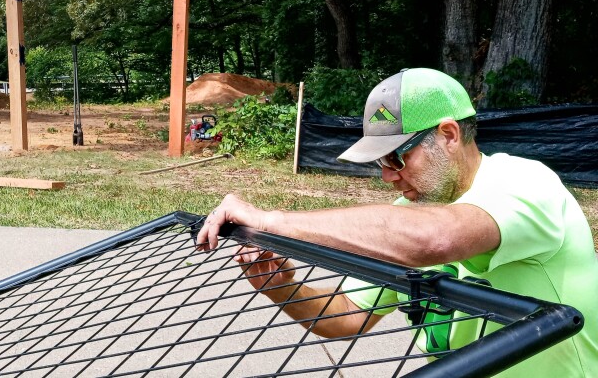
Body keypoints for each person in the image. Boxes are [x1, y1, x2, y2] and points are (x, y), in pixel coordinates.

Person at [196, 68, 598, 377]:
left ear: (449, 135)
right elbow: (348, 314)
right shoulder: (406, 219)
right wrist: (281, 287)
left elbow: (436, 240)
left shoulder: (526, 183)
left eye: (397, 157)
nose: (387, 175)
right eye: (380, 162)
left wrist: (273, 221)